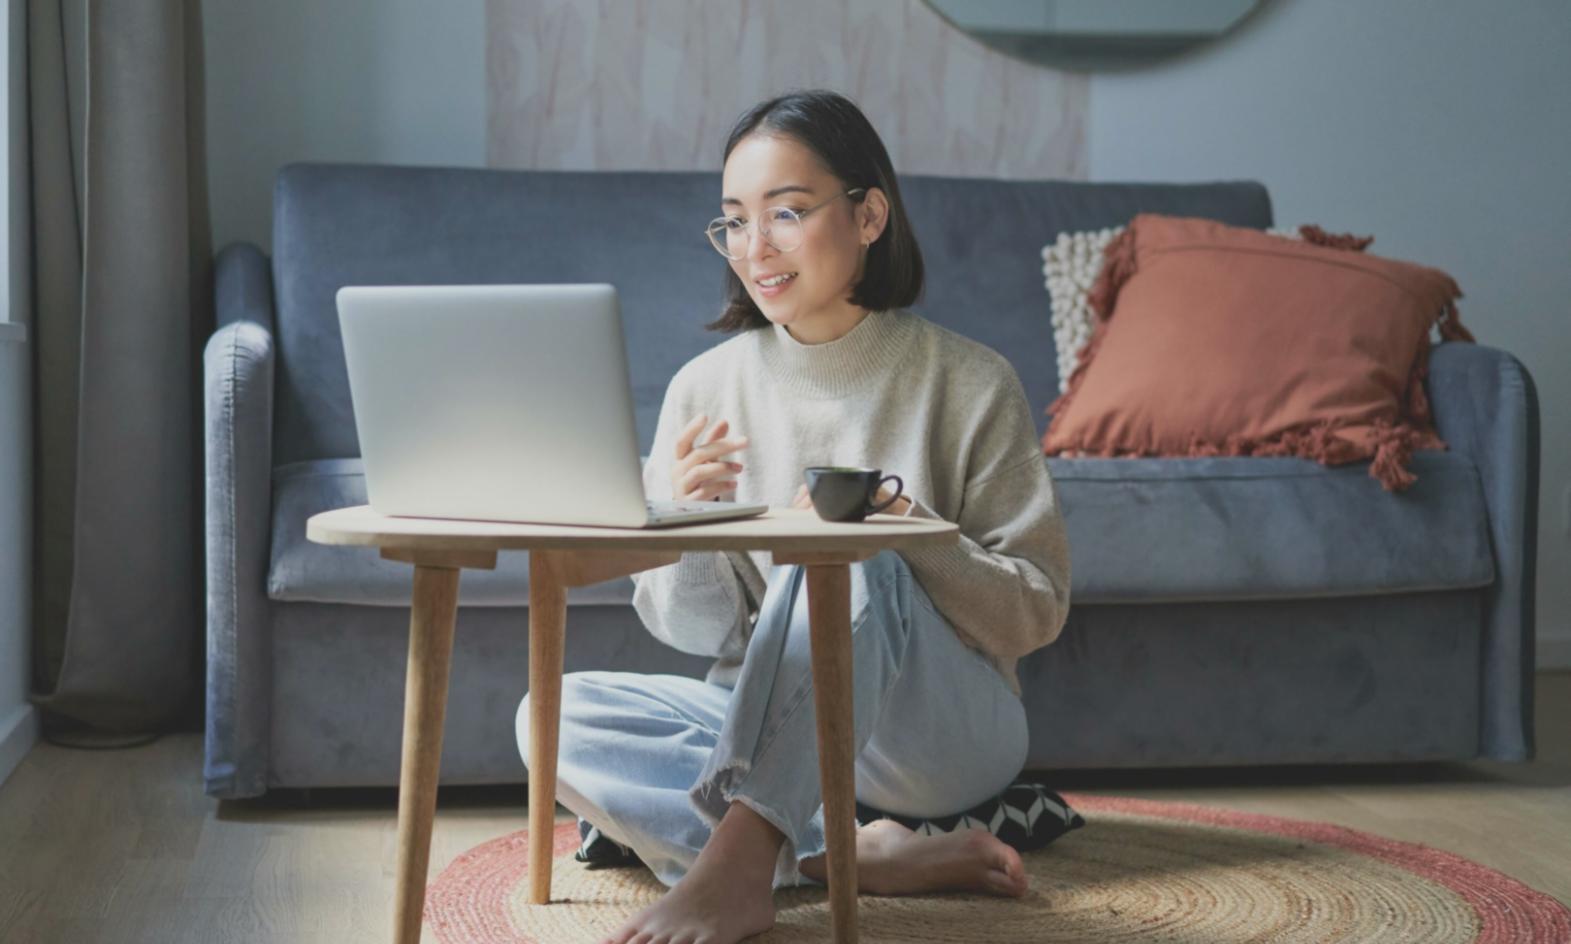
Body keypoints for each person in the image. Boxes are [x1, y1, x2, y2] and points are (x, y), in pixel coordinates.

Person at [516, 89, 1072, 944]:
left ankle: (739, 871)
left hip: (931, 737)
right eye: (734, 221)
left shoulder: (969, 380)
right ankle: (842, 854)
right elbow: (695, 634)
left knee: (848, 558)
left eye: (785, 212)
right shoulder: (702, 389)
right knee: (551, 716)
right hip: (760, 724)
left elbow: (1034, 610)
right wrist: (686, 527)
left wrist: (915, 538)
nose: (754, 248)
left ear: (869, 214)